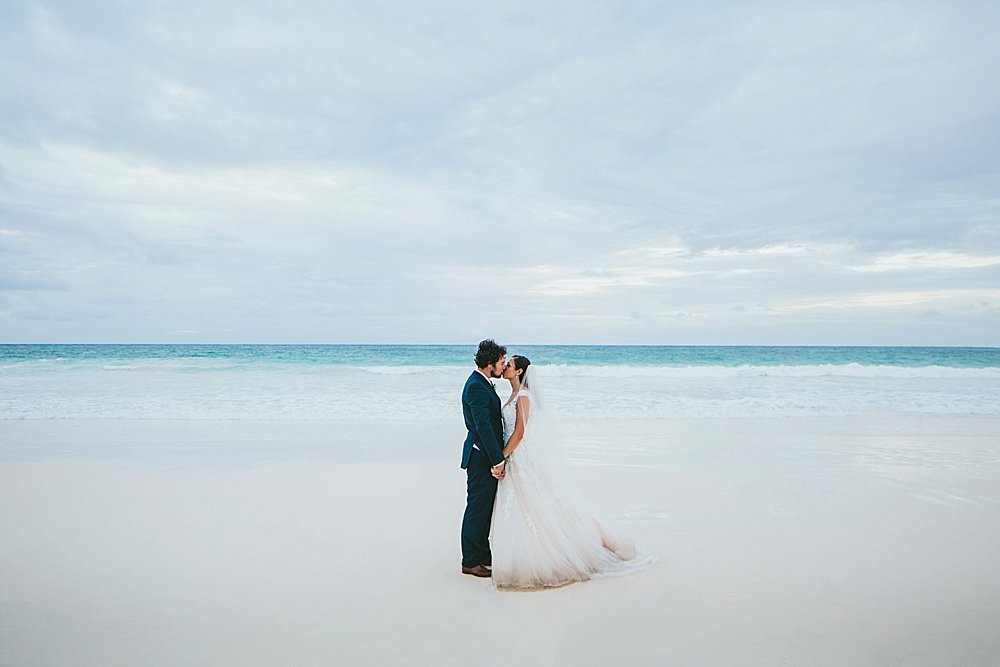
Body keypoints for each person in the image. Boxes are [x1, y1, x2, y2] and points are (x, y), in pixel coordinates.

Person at [489, 355, 652, 590]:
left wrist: (502, 456)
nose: (505, 367)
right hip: (516, 457)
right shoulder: (513, 395)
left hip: (520, 456)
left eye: (510, 365)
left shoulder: (524, 396)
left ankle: (557, 553)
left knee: (539, 505)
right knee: (523, 506)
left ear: (520, 371)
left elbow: (520, 432)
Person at [459, 339, 509, 578]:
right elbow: (483, 427)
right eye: (500, 362)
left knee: (485, 506)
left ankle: (482, 552)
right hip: (480, 456)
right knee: (477, 508)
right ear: (490, 364)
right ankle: (470, 560)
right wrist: (497, 460)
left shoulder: (482, 383)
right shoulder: (477, 386)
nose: (503, 366)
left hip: (483, 455)